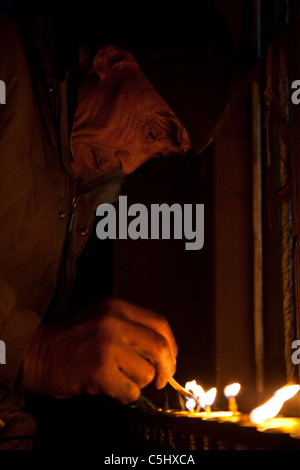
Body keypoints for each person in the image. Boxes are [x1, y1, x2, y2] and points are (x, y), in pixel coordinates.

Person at [0, 1, 235, 449]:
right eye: (151, 130)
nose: (130, 166)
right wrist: (36, 352)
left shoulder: (89, 175)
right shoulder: (5, 66)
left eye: (159, 151)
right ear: (110, 62)